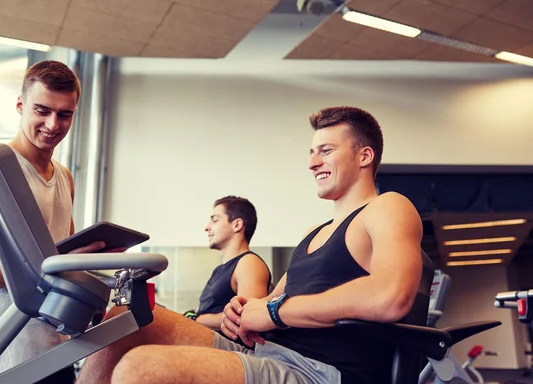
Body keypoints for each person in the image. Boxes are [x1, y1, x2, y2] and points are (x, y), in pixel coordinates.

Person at [75, 106, 423, 384]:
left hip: (318, 371)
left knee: (141, 368)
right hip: (270, 352)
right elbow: (272, 302)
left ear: (364, 156)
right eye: (312, 152)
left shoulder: (388, 207)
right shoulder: (314, 231)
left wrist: (273, 313)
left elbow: (390, 297)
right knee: (124, 320)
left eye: (326, 151)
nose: (312, 162)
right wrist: (244, 311)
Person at [0, 60, 105, 383]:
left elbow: (64, 260)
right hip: (0, 355)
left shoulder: (64, 178)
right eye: (42, 110)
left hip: (54, 348)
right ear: (20, 106)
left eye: (65, 114)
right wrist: (57, 263)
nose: (53, 124)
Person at [183, 196, 271, 333]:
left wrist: (195, 319)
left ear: (237, 225)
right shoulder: (220, 269)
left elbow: (247, 317)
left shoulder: (249, 263)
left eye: (215, 220)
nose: (207, 227)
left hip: (229, 349)